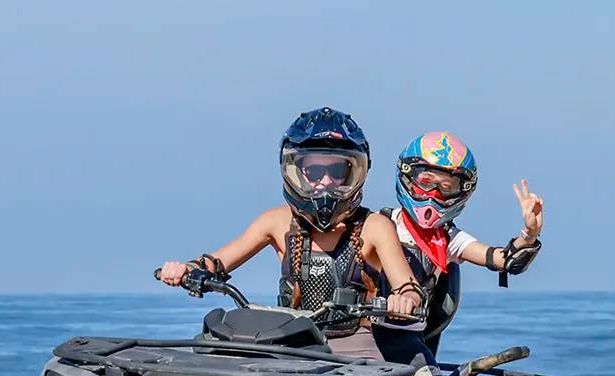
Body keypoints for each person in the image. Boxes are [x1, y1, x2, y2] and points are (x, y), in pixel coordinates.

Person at [158, 108, 422, 358]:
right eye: (314, 172)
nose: (325, 182)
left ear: (355, 172)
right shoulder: (277, 222)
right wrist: (186, 269)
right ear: (296, 172)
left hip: (355, 347)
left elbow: (409, 288)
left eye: (337, 171)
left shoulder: (376, 226)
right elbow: (216, 263)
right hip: (291, 342)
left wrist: (404, 301)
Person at [372, 130, 543, 365]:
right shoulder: (377, 224)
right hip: (364, 335)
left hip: (410, 341)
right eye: (426, 182)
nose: (434, 194)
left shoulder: (449, 239)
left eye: (446, 187)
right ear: (408, 177)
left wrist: (530, 232)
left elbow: (507, 260)